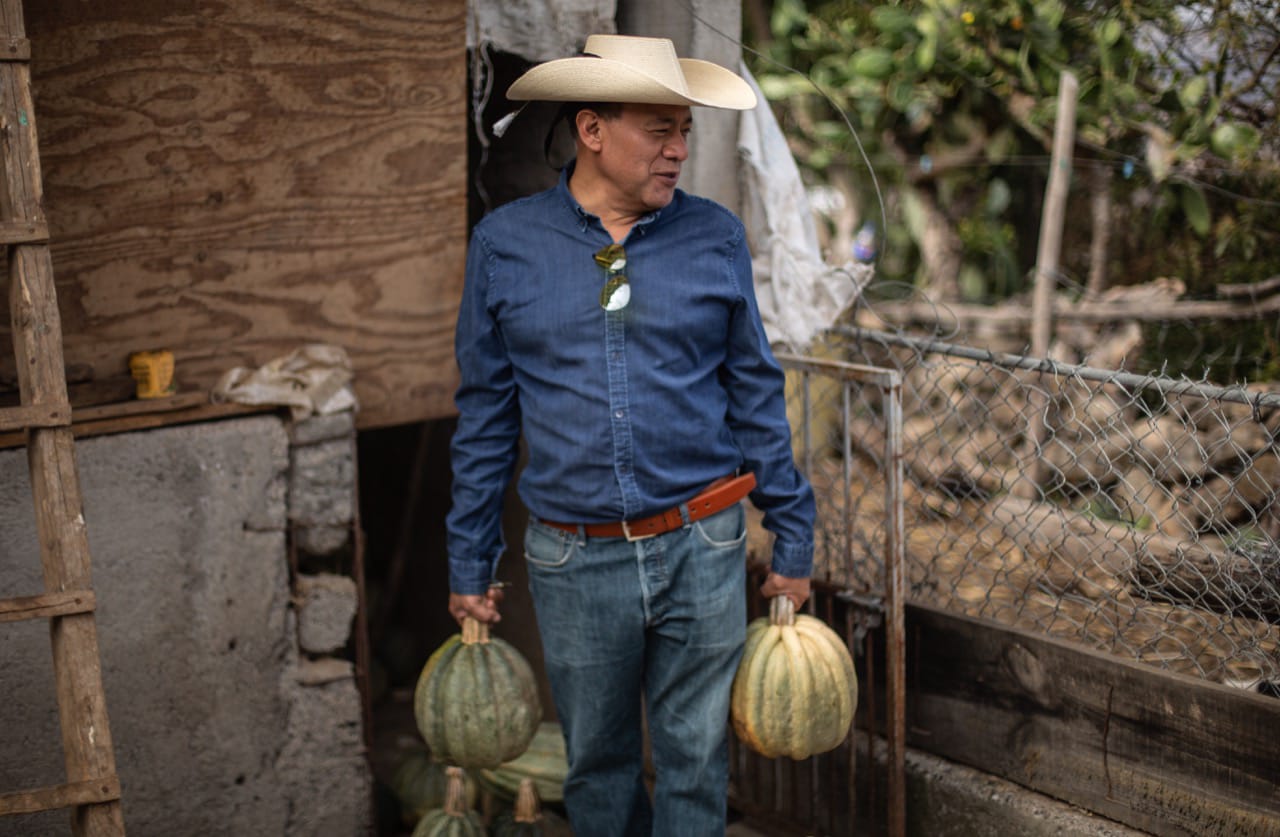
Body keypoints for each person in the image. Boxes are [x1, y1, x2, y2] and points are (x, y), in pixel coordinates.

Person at [444, 34, 815, 836]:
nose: (680, 149)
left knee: (694, 763)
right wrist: (470, 559)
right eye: (660, 129)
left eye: (685, 129)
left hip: (703, 544)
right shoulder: (506, 247)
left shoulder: (714, 237)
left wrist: (793, 535)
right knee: (600, 770)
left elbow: (755, 391)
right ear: (591, 130)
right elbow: (485, 418)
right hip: (575, 557)